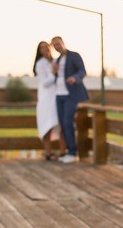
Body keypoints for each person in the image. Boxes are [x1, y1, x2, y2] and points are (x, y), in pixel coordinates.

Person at [51, 35, 88, 164]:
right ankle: (68, 151)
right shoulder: (57, 61)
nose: (57, 46)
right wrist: (54, 72)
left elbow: (82, 71)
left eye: (58, 43)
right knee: (62, 124)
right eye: (54, 45)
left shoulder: (74, 56)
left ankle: (72, 152)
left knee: (68, 122)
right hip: (58, 94)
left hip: (70, 95)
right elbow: (57, 77)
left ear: (62, 42)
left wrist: (74, 78)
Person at [33, 41, 60, 160]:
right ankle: (48, 153)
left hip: (57, 97)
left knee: (58, 124)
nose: (45, 49)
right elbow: (44, 82)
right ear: (39, 51)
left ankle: (62, 152)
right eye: (42, 48)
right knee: (46, 126)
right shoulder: (40, 64)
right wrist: (53, 73)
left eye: (46, 47)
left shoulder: (56, 61)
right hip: (46, 99)